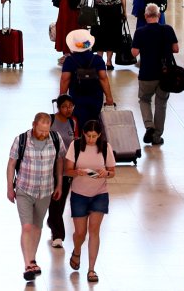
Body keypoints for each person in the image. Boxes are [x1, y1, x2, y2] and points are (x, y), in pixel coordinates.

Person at [7, 112, 65, 281]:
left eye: (46, 131)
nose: (43, 134)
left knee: (37, 227)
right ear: (34, 125)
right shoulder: (21, 140)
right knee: (26, 226)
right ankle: (27, 264)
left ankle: (33, 259)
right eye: (40, 131)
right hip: (24, 189)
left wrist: (59, 184)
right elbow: (11, 164)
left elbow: (60, 160)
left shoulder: (55, 139)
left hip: (46, 190)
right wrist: (10, 186)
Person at [63, 119, 116, 284]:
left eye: (94, 136)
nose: (91, 139)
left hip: (100, 193)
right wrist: (77, 172)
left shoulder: (106, 147)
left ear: (99, 135)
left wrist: (105, 173)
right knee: (80, 233)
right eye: (88, 136)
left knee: (94, 231)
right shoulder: (76, 146)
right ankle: (77, 250)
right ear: (83, 134)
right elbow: (67, 170)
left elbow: (112, 171)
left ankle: (91, 269)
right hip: (79, 194)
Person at [131, 3, 178, 145]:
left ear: (145, 16)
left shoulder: (140, 32)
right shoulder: (168, 29)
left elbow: (134, 53)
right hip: (165, 75)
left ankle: (149, 126)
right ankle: (157, 137)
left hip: (147, 73)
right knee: (161, 104)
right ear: (159, 15)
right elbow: (175, 49)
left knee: (144, 100)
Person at [58, 29, 115, 132]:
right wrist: (109, 97)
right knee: (93, 122)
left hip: (77, 98)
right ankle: (93, 141)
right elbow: (103, 78)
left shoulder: (70, 61)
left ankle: (80, 142)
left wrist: (62, 98)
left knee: (79, 123)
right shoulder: (97, 59)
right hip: (95, 97)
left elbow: (65, 80)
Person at [47, 95, 78, 249]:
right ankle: (58, 235)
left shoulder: (72, 122)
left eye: (71, 106)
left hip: (66, 169)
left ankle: (52, 223)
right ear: (58, 107)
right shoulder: (50, 120)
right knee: (55, 200)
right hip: (49, 168)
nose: (69, 109)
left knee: (60, 202)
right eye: (65, 106)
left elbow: (74, 144)